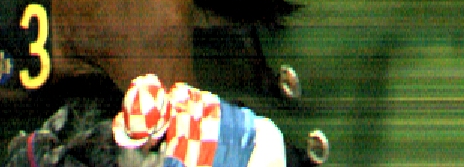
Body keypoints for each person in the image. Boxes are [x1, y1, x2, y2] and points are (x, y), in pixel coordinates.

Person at [111, 73, 327, 167]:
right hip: (266, 131)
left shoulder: (175, 161)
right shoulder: (181, 92)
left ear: (154, 136)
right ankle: (305, 157)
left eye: (141, 141)